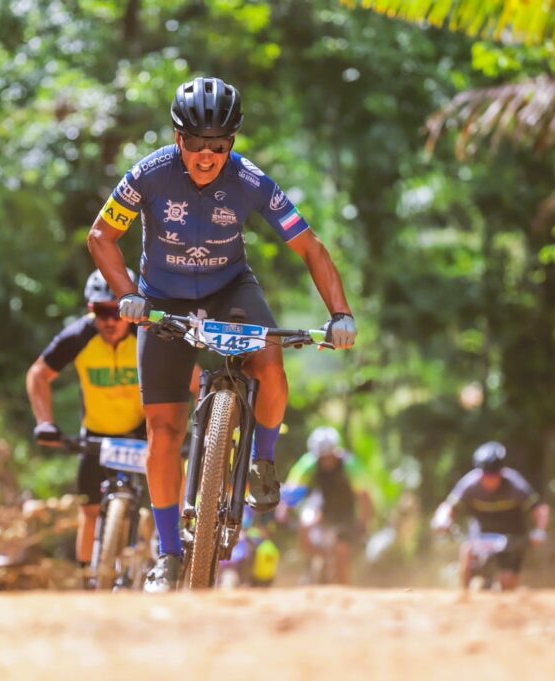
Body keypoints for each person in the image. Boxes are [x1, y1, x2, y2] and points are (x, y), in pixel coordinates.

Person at [87, 76, 356, 592]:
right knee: (163, 433)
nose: (207, 156)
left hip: (229, 289)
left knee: (270, 361)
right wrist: (126, 293)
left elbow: (311, 247)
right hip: (161, 300)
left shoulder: (251, 181)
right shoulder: (149, 175)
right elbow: (102, 236)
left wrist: (340, 313)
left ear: (231, 144)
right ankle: (168, 555)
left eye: (219, 145)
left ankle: (263, 462)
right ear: (176, 137)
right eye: (194, 143)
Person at [25, 269, 144, 585]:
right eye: (100, 311)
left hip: (142, 432)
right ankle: (85, 583)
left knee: (165, 492)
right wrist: (45, 422)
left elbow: (190, 379)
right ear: (91, 311)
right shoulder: (79, 336)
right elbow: (38, 374)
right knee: (90, 512)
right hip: (96, 435)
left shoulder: (147, 336)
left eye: (117, 310)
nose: (109, 320)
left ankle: (171, 552)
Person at [431, 441, 551, 591]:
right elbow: (448, 506)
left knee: (508, 582)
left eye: (495, 475)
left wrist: (540, 532)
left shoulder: (516, 485)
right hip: (481, 534)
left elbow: (540, 509)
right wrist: (442, 519)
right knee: (467, 553)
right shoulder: (470, 484)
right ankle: (465, 598)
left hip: (512, 537)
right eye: (486, 475)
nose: (490, 479)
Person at [279, 426, 374, 584]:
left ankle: (344, 588)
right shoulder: (309, 462)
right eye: (322, 457)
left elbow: (364, 496)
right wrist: (284, 508)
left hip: (345, 511)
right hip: (321, 507)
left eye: (329, 456)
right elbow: (293, 487)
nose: (326, 461)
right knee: (305, 525)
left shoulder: (350, 465)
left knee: (342, 552)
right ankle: (318, 558)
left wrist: (364, 522)